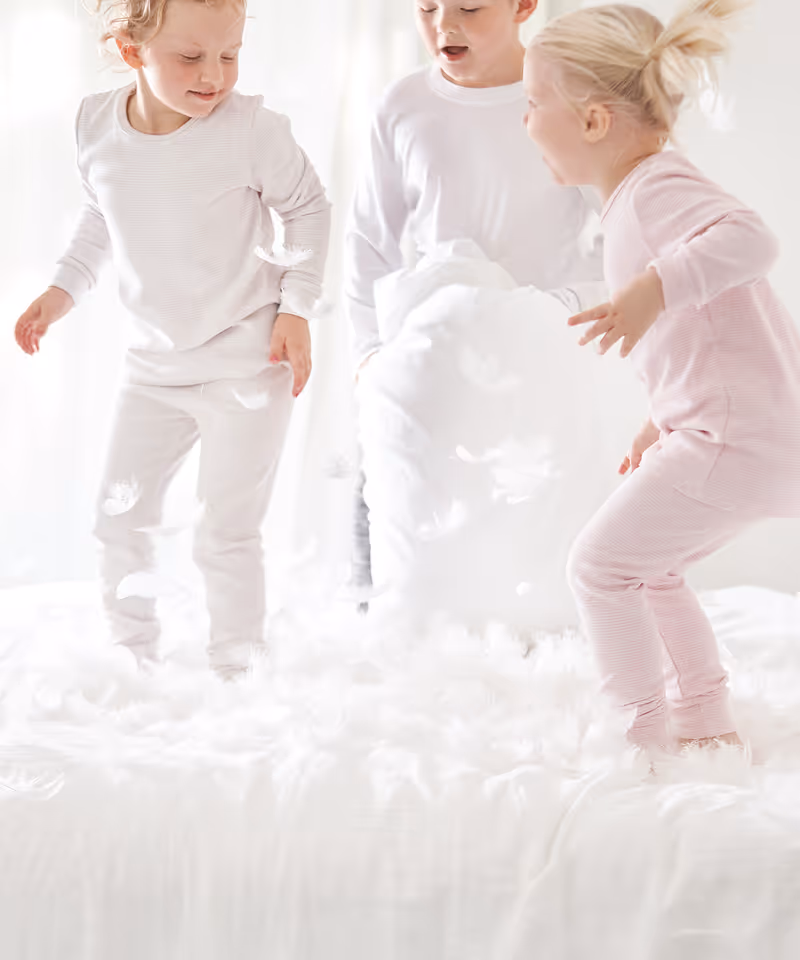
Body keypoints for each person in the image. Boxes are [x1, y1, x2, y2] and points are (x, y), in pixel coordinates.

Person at [14, 0, 331, 678]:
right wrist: (62, 289)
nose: (216, 75)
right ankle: (134, 659)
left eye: (231, 53)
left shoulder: (252, 130)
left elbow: (307, 208)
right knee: (117, 517)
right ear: (132, 52)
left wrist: (297, 308)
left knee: (226, 532)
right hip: (153, 367)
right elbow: (102, 214)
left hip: (248, 360)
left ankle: (236, 670)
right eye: (191, 58)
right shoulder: (94, 125)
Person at [524, 0, 800, 752]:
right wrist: (663, 416)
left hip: (735, 437)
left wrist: (656, 284)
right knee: (651, 567)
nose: (525, 120)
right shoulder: (638, 197)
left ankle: (637, 734)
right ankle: (705, 721)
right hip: (734, 430)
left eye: (533, 101)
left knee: (599, 567)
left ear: (592, 122)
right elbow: (711, 337)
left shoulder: (654, 187)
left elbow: (754, 239)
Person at [345, 0, 606, 606]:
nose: (444, 25)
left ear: (523, 6)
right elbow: (368, 240)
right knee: (396, 508)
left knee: (529, 528)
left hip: (537, 353)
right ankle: (376, 622)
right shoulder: (404, 105)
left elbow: (621, 219)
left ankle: (534, 634)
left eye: (468, 7)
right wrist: (369, 352)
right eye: (428, 7)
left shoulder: (565, 100)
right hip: (429, 352)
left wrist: (571, 307)